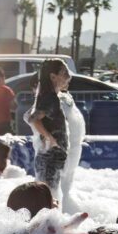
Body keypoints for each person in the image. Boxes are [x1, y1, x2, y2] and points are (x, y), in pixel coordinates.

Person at [27, 60, 73, 198]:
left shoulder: (49, 96)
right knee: (48, 197)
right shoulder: (50, 98)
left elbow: (31, 117)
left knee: (47, 195)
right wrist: (49, 138)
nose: (68, 77)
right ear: (53, 77)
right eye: (64, 73)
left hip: (49, 156)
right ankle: (47, 219)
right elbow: (33, 119)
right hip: (50, 158)